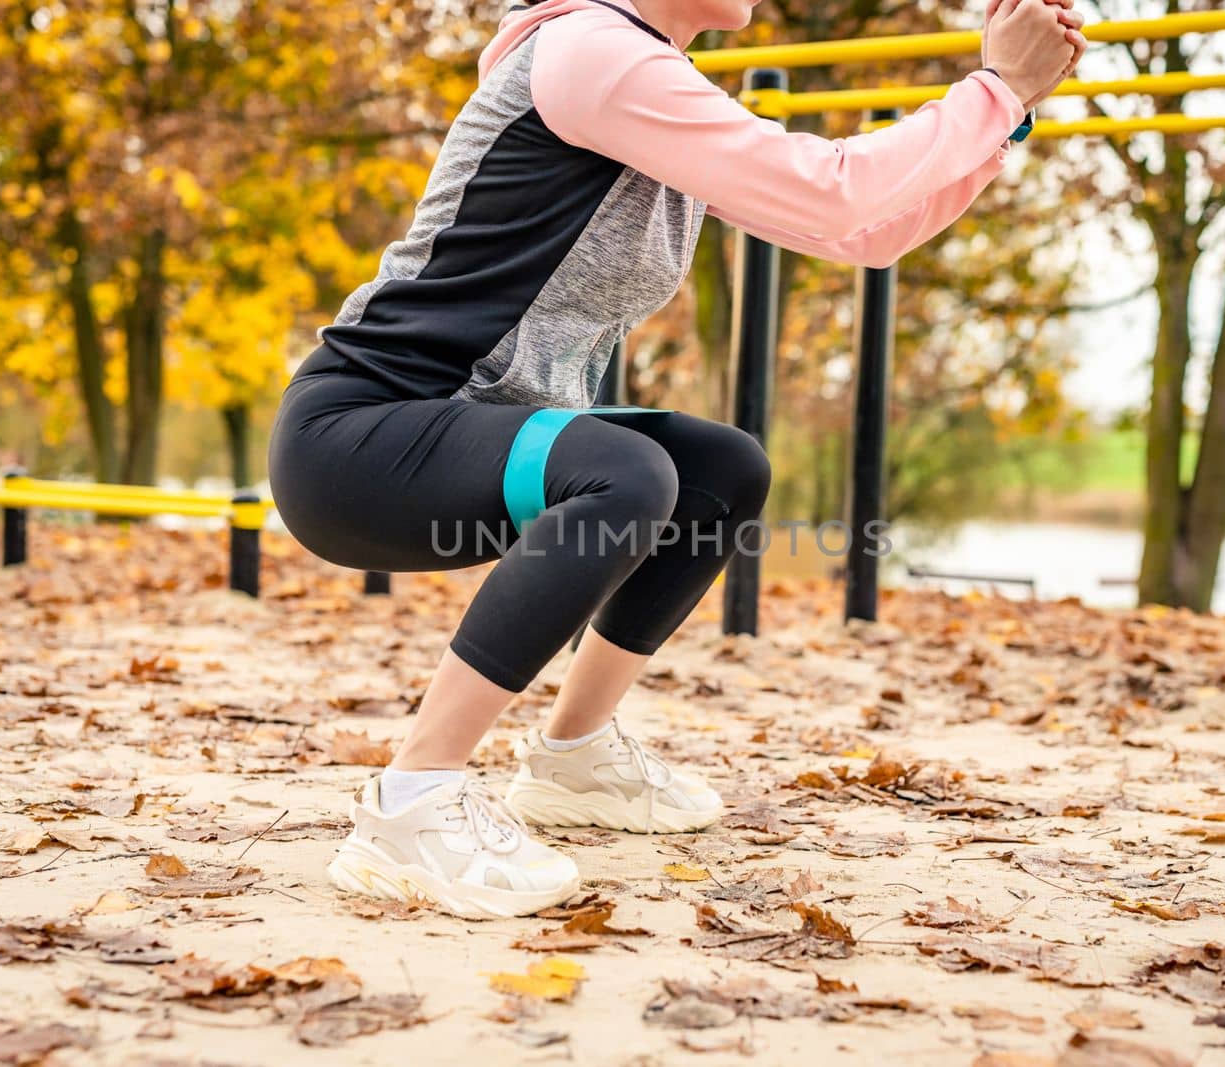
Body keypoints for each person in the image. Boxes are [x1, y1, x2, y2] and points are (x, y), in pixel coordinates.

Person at [267, 0, 1085, 920]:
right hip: (362, 433)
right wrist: (991, 87)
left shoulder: (654, 81)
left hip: (464, 427)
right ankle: (412, 801)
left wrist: (1004, 112)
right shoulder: (591, 52)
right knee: (627, 474)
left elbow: (861, 232)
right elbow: (834, 187)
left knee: (718, 467)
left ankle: (574, 762)